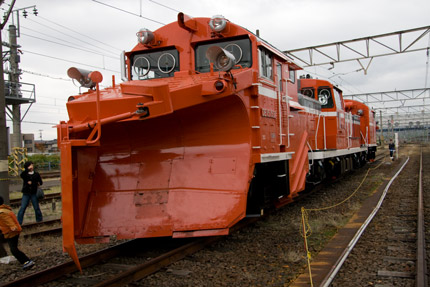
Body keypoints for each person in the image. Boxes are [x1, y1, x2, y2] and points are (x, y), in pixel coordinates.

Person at [0, 196, 35, 270]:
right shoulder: (4, 209)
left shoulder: (2, 212)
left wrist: (12, 227)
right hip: (9, 232)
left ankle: (27, 261)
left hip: (11, 233)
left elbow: (8, 221)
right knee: (13, 249)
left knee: (14, 250)